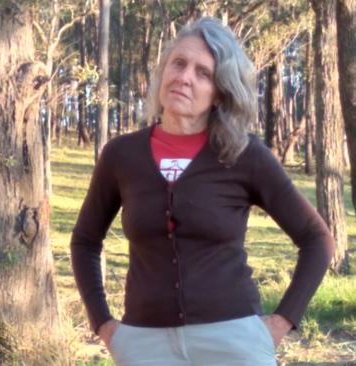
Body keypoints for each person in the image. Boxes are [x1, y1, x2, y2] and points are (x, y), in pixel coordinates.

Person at [70, 17, 335, 366]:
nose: (184, 77)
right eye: (178, 63)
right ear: (164, 70)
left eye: (203, 73)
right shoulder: (121, 155)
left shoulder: (244, 154)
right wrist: (105, 325)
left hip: (234, 343)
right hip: (145, 345)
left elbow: (317, 238)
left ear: (219, 93)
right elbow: (86, 240)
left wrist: (279, 322)